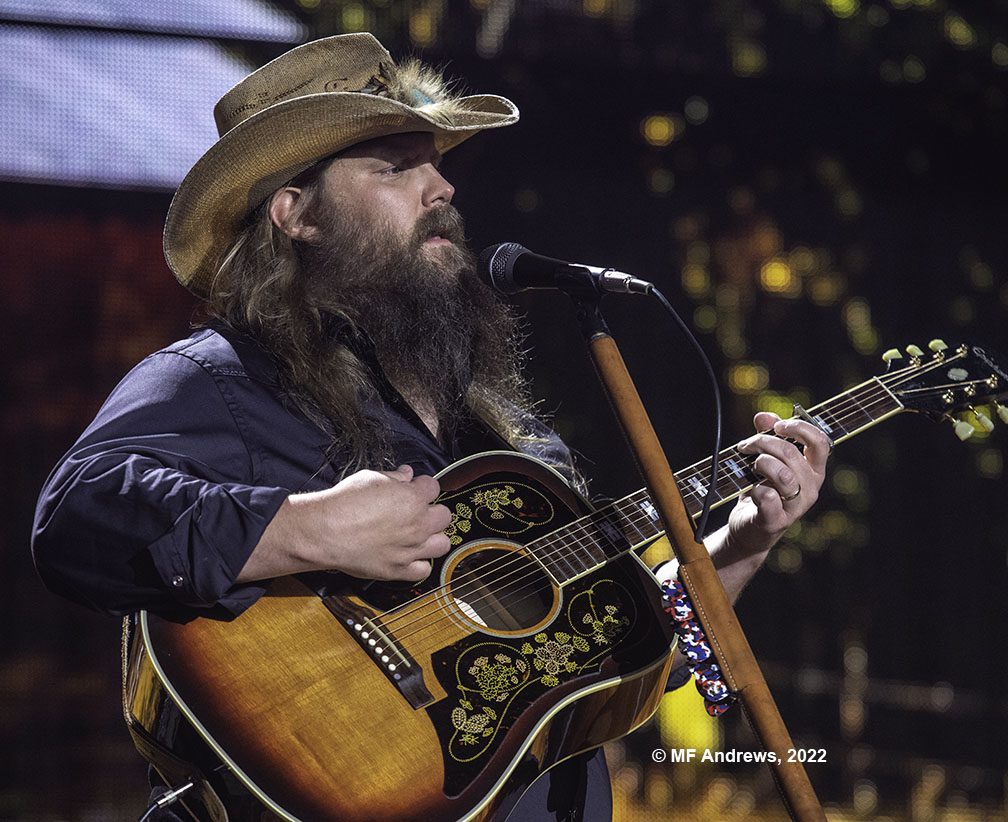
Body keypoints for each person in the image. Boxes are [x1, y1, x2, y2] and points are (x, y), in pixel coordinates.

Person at [31, 33, 830, 822]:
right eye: (395, 167)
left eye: (438, 164)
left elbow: (606, 660)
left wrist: (741, 543)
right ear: (296, 214)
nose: (441, 188)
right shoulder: (224, 379)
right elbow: (76, 515)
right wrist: (304, 530)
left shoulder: (509, 441)